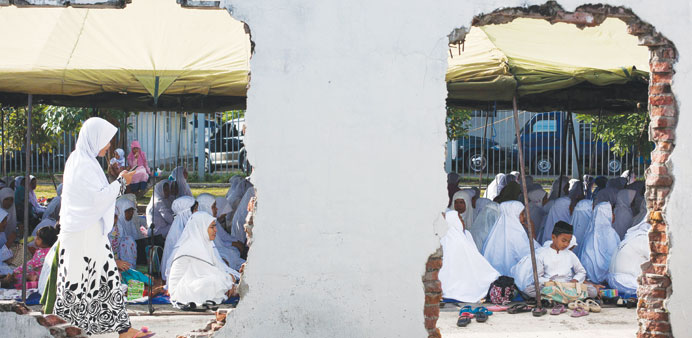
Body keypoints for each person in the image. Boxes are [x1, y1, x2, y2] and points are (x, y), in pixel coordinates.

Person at [53, 117, 148, 338]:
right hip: (81, 233)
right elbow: (96, 200)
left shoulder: (85, 161)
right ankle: (70, 328)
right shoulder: (82, 163)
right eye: (106, 141)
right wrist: (122, 181)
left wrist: (120, 180)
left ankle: (122, 329)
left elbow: (99, 196)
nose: (108, 147)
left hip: (89, 232)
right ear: (94, 139)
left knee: (106, 277)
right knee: (78, 281)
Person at [439, 190, 499, 302]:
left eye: (462, 202)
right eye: (456, 202)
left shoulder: (465, 234)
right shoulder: (453, 239)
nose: (458, 206)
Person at [168, 212, 238, 306]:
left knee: (220, 279)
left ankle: (227, 290)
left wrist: (229, 277)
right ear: (201, 228)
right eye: (212, 227)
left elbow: (215, 268)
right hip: (181, 290)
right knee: (215, 281)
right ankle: (229, 290)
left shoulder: (205, 244)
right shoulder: (191, 247)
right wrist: (228, 278)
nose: (216, 230)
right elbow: (209, 272)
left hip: (194, 282)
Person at [522, 221, 597, 299]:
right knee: (529, 290)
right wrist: (549, 281)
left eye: (569, 241)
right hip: (551, 286)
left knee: (592, 291)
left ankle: (552, 298)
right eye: (563, 241)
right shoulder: (542, 254)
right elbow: (538, 277)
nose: (566, 244)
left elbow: (581, 272)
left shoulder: (570, 254)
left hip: (568, 286)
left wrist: (575, 280)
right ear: (553, 237)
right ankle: (566, 297)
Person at [482, 201, 532, 276]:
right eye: (521, 214)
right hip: (512, 279)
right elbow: (529, 255)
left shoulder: (495, 232)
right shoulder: (516, 233)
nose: (524, 216)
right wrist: (532, 232)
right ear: (514, 214)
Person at [580, 202, 621, 284]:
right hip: (607, 276)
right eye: (611, 212)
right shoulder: (611, 233)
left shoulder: (590, 232)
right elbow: (616, 255)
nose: (613, 215)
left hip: (590, 275)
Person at [607, 220, 651, 295]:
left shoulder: (631, 237)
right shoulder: (643, 239)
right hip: (627, 282)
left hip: (612, 280)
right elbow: (658, 259)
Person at [161, 196, 196, 282]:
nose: (197, 212)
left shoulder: (189, 229)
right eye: (195, 210)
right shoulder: (177, 234)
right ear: (187, 212)